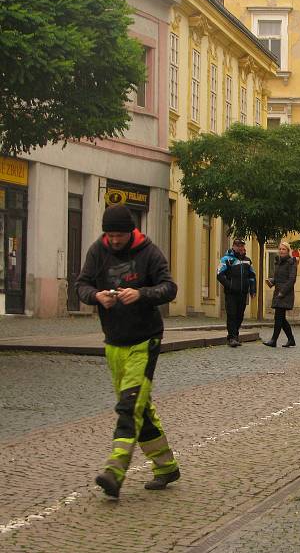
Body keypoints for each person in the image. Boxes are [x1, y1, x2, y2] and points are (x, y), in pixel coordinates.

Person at [76, 204, 180, 498]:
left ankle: (115, 470)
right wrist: (96, 296)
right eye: (110, 235)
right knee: (140, 408)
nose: (115, 240)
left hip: (145, 340)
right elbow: (81, 285)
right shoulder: (98, 251)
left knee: (129, 405)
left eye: (120, 235)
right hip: (114, 341)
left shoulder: (149, 252)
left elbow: (170, 288)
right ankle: (166, 466)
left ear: (131, 231)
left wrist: (141, 294)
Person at [216, 237, 256, 347]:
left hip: (243, 292)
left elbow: (252, 276)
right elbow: (219, 275)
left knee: (240, 315)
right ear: (233, 246)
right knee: (232, 314)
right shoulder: (226, 259)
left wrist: (253, 290)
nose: (240, 247)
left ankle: (236, 335)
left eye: (242, 245)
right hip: (231, 293)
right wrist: (230, 285)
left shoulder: (247, 260)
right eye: (238, 245)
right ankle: (231, 337)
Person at [264, 241, 297, 348]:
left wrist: (282, 292)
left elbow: (292, 279)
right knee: (281, 318)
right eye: (280, 249)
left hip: (285, 293)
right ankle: (291, 339)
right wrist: (272, 281)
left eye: (284, 249)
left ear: (288, 251)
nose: (281, 251)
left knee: (278, 317)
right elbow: (278, 277)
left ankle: (274, 340)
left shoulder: (291, 262)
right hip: (278, 292)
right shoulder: (278, 262)